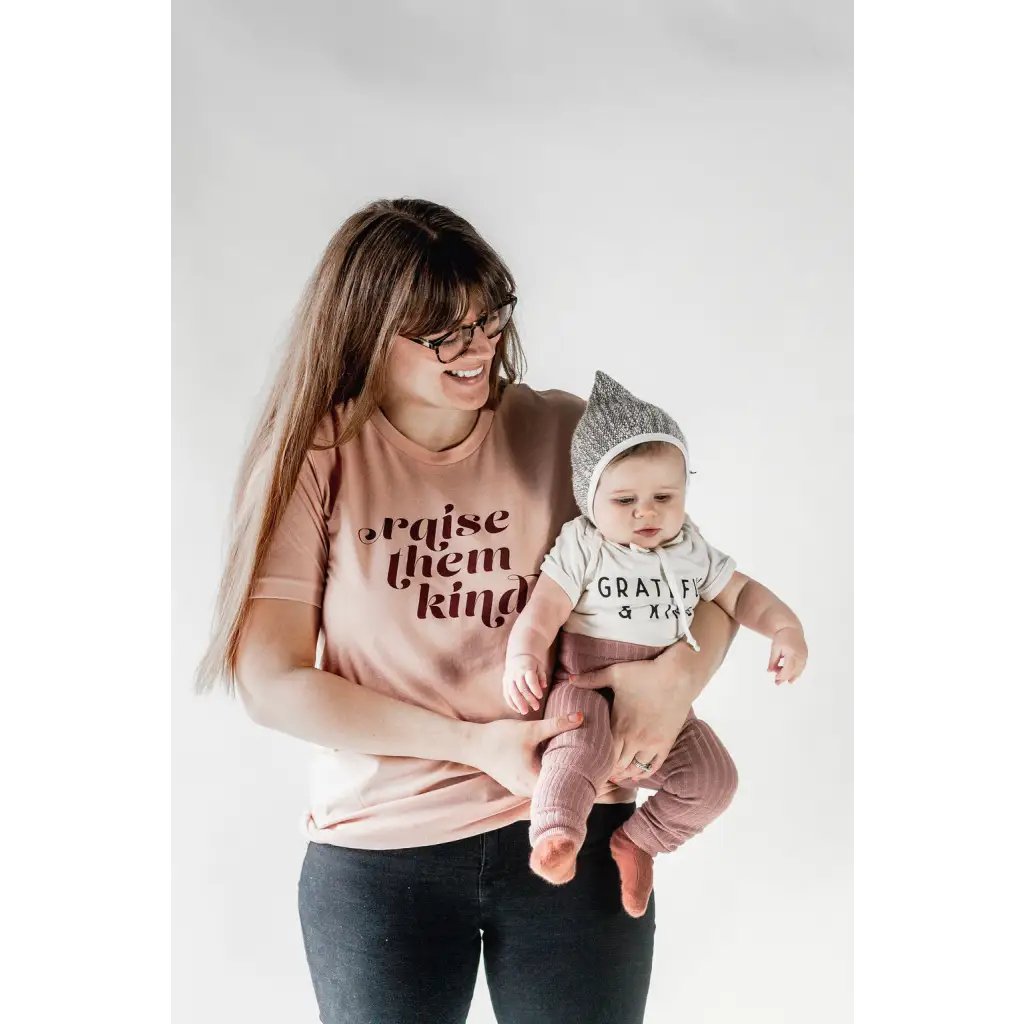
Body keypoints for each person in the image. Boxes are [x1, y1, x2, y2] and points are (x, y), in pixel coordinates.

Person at [196, 198, 738, 1024]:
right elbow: (269, 679)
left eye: (489, 317)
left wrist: (680, 677)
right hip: (379, 856)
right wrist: (474, 744)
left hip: (569, 831)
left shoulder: (564, 432)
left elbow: (715, 588)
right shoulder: (314, 457)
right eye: (443, 331)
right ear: (369, 329)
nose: (477, 346)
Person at [503, 371, 808, 919]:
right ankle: (556, 835)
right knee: (577, 752)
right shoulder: (585, 545)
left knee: (715, 780)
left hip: (666, 706)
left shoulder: (690, 547)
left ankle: (640, 841)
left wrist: (785, 627)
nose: (647, 513)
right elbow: (542, 610)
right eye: (625, 499)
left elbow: (741, 596)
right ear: (589, 498)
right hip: (586, 689)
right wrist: (524, 654)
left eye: (663, 497)